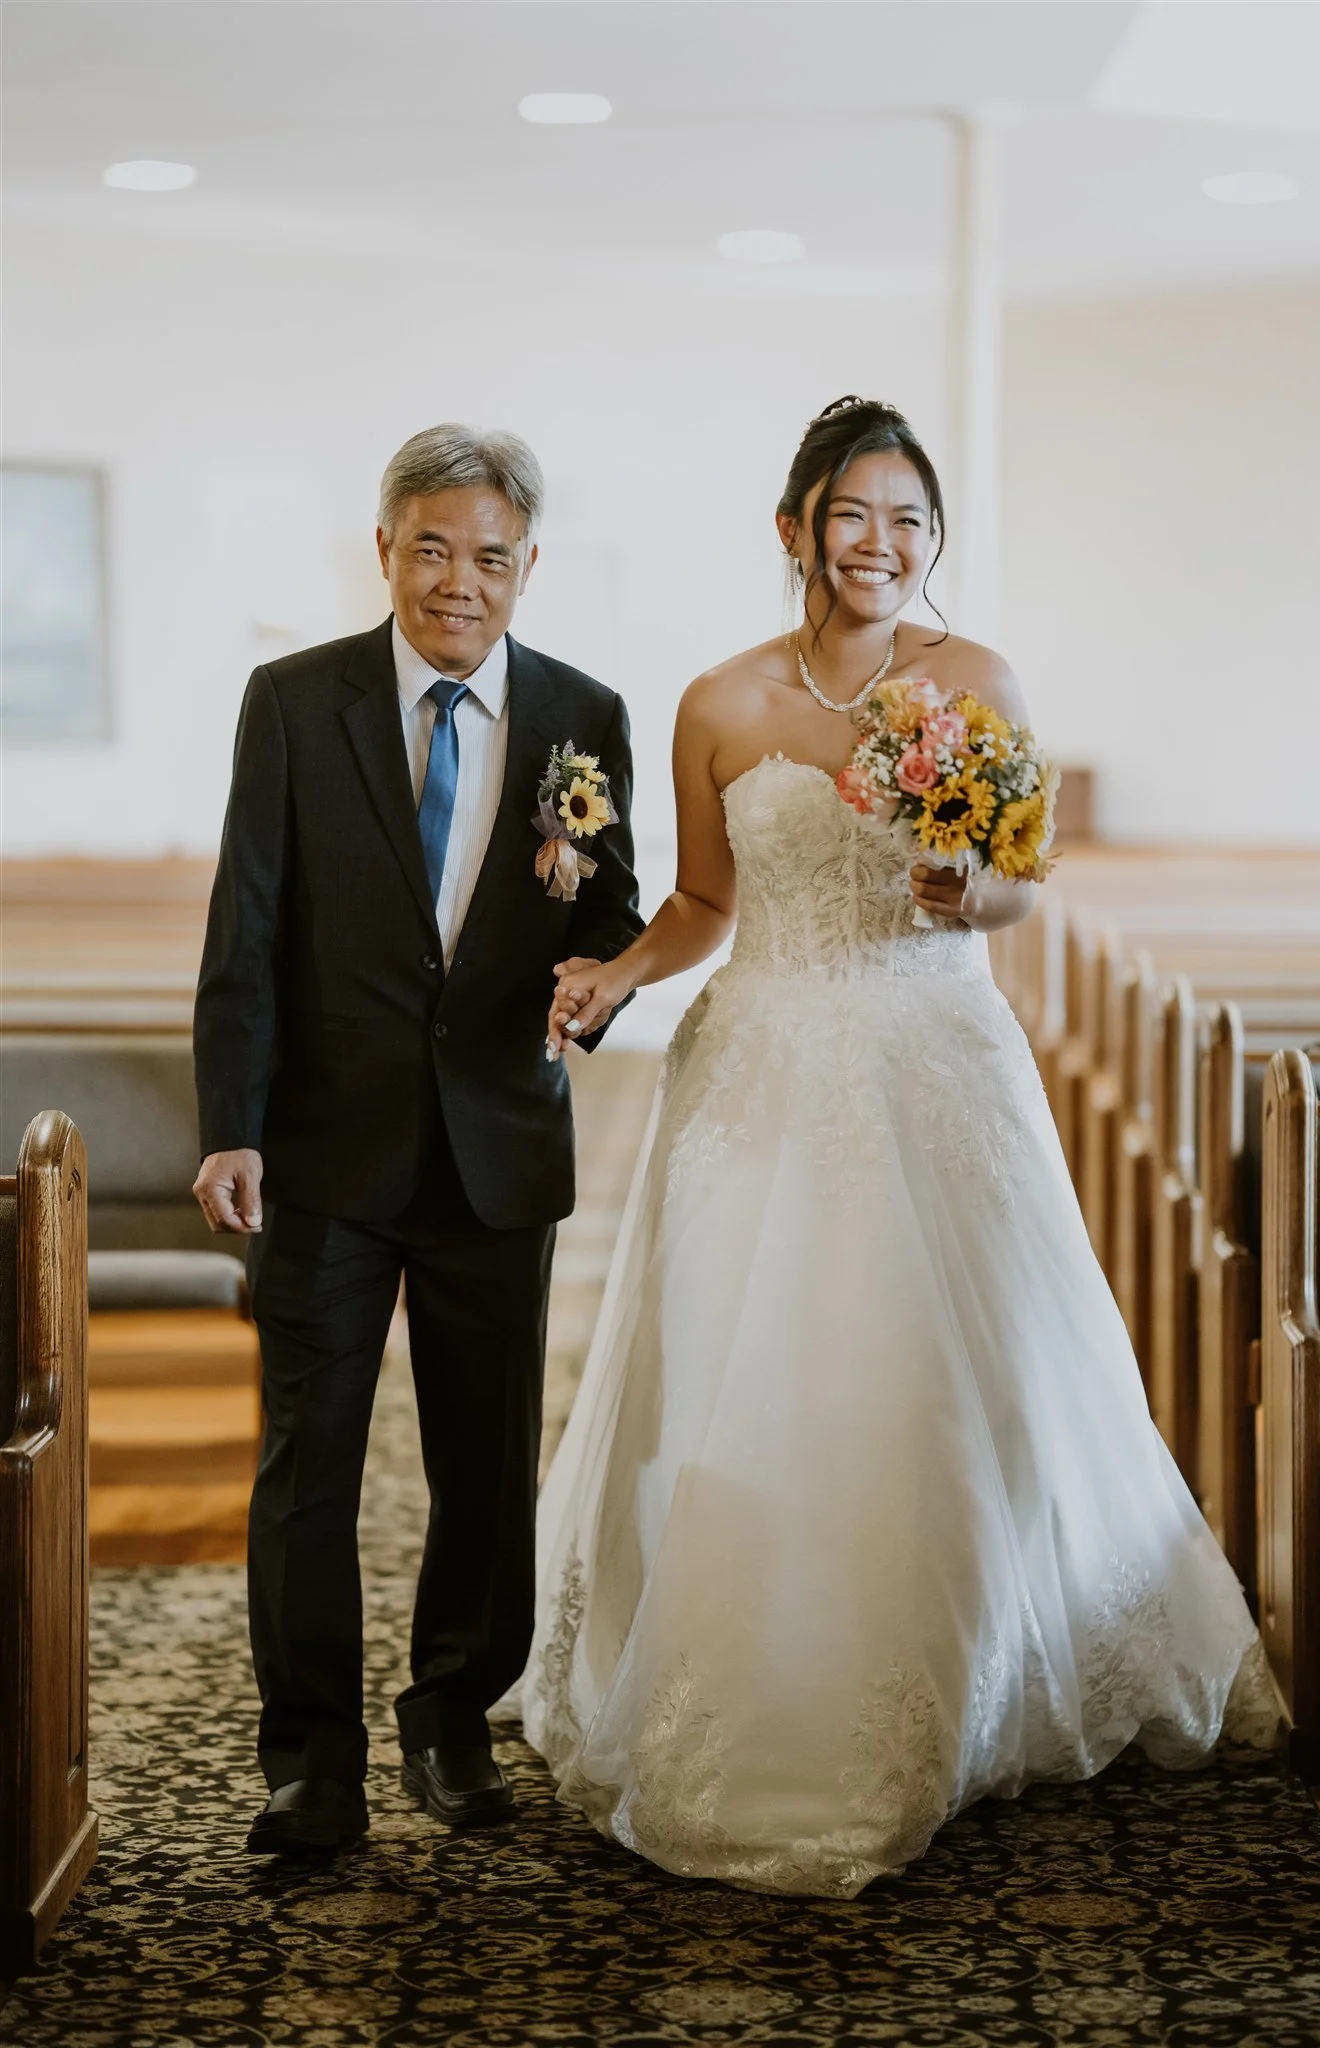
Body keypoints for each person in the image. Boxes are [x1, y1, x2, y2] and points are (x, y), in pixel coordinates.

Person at [514, 395, 1276, 1898]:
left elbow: (1013, 880)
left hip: (935, 1052)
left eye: (911, 520)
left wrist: (968, 900)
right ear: (796, 526)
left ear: (933, 539)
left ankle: (970, 1666)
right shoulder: (719, 703)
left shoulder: (974, 676)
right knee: (762, 1360)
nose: (884, 544)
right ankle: (753, 1662)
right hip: (767, 1061)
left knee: (943, 1363)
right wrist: (615, 975)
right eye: (855, 514)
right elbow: (706, 907)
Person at [193, 422, 641, 1856]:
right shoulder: (293, 701)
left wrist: (599, 976)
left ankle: (454, 1719)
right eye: (434, 549)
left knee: (485, 1462)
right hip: (322, 1154)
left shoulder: (585, 714)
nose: (462, 581)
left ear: (528, 568)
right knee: (307, 1461)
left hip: (497, 1154)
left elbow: (611, 912)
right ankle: (308, 1761)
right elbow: (246, 930)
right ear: (385, 547)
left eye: (492, 557)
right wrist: (229, 1129)